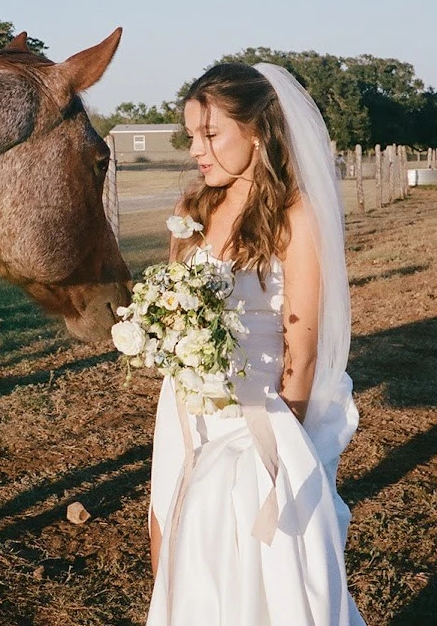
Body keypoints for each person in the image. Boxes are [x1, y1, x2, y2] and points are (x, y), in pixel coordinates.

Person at [147, 63, 365, 626]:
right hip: (186, 403)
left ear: (258, 131)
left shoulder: (294, 216)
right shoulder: (191, 211)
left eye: (211, 134)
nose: (197, 149)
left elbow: (303, 344)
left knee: (238, 546)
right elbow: (175, 302)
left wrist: (283, 443)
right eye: (191, 135)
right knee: (169, 528)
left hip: (260, 414)